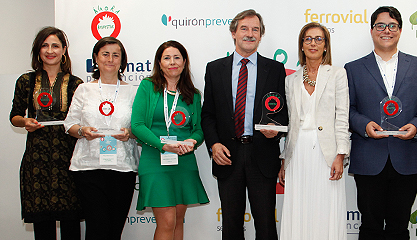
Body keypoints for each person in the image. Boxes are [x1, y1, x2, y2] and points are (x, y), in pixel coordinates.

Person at [344, 6, 417, 240]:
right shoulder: (353, 68)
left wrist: (416, 126)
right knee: (370, 227)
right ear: (372, 30)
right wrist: (364, 125)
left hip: (405, 156)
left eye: (392, 26)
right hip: (368, 157)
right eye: (381, 25)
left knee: (399, 228)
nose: (387, 30)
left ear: (401, 30)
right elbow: (347, 109)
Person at [202, 9, 287, 240]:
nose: (250, 34)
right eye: (244, 29)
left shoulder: (275, 69)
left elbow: (283, 112)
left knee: (267, 225)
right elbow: (208, 114)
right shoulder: (214, 68)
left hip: (263, 154)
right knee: (230, 226)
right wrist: (214, 145)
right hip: (227, 155)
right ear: (233, 33)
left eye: (255, 30)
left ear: (261, 36)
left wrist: (276, 131)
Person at [9, 26, 83, 240]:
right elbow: (14, 116)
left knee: (70, 225)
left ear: (64, 50)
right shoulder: (26, 81)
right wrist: (25, 122)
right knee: (43, 226)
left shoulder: (77, 84)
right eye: (45, 45)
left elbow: (81, 121)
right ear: (38, 50)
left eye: (55, 46)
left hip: (68, 160)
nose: (50, 50)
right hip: (37, 161)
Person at [278, 22, 349, 240]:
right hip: (298, 152)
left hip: (326, 152)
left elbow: (342, 117)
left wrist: (341, 154)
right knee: (298, 206)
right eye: (308, 39)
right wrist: (284, 160)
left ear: (326, 46)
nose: (313, 43)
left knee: (326, 207)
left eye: (319, 39)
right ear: (301, 45)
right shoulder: (290, 80)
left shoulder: (338, 74)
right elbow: (289, 123)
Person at [131, 40, 208, 240]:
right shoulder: (148, 87)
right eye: (167, 58)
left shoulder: (193, 94)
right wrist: (163, 145)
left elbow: (199, 130)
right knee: (166, 223)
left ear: (184, 62)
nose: (172, 62)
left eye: (177, 57)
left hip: (183, 161)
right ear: (159, 62)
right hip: (155, 159)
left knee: (177, 223)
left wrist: (192, 141)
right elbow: (137, 125)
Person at [63, 37, 139, 240]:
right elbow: (69, 124)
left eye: (116, 55)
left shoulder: (133, 91)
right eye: (105, 53)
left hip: (122, 167)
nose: (111, 59)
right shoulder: (83, 89)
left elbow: (139, 128)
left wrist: (129, 134)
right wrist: (82, 131)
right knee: (97, 228)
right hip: (88, 168)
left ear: (123, 60)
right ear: (96, 58)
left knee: (114, 230)